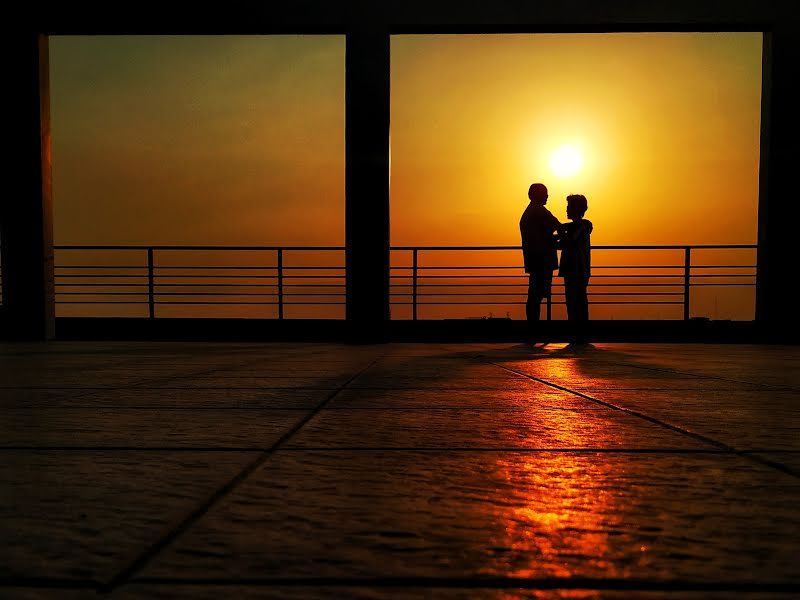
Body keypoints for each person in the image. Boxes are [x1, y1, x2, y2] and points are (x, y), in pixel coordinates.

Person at [520, 183, 561, 340]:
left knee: (535, 295)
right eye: (545, 193)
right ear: (535, 195)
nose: (547, 196)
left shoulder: (531, 211)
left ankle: (533, 329)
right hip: (541, 259)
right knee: (536, 295)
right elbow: (556, 225)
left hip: (535, 258)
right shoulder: (538, 211)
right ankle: (534, 330)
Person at [557, 194, 593, 342]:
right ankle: (577, 332)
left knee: (576, 301)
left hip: (577, 269)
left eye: (569, 207)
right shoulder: (579, 226)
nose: (566, 210)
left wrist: (558, 233)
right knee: (574, 301)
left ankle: (579, 333)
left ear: (576, 209)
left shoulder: (582, 227)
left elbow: (570, 241)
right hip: (575, 269)